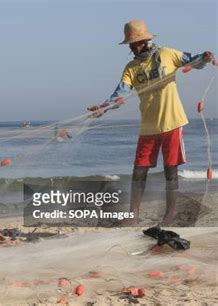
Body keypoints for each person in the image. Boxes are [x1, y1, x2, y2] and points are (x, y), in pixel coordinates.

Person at [88, 19, 214, 226]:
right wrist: (103, 108)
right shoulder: (131, 68)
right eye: (130, 44)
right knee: (139, 171)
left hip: (172, 122)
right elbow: (120, 95)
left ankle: (170, 215)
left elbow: (193, 61)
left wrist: (205, 58)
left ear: (146, 41)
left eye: (135, 43)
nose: (131, 47)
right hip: (148, 126)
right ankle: (133, 216)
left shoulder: (167, 54)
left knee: (170, 171)